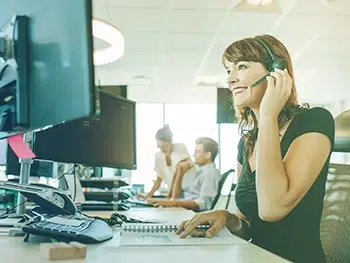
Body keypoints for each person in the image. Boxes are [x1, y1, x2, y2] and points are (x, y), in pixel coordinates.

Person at [176, 34, 335, 263]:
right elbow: (249, 226)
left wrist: (268, 114)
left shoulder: (314, 121)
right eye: (228, 70)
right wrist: (228, 218)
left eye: (241, 66)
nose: (231, 79)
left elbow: (272, 209)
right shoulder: (247, 142)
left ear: (276, 71)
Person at [148, 137, 222, 212]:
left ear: (208, 155)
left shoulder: (210, 173)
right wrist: (180, 171)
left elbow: (203, 203)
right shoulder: (201, 172)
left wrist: (174, 203)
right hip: (184, 210)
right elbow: (176, 196)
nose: (194, 155)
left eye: (197, 152)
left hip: (191, 215)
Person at [137, 125, 194, 200]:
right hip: (173, 194)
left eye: (165, 146)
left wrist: (170, 197)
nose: (162, 149)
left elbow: (178, 174)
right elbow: (159, 179)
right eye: (159, 146)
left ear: (171, 142)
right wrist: (149, 195)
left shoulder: (180, 148)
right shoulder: (158, 156)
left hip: (187, 192)